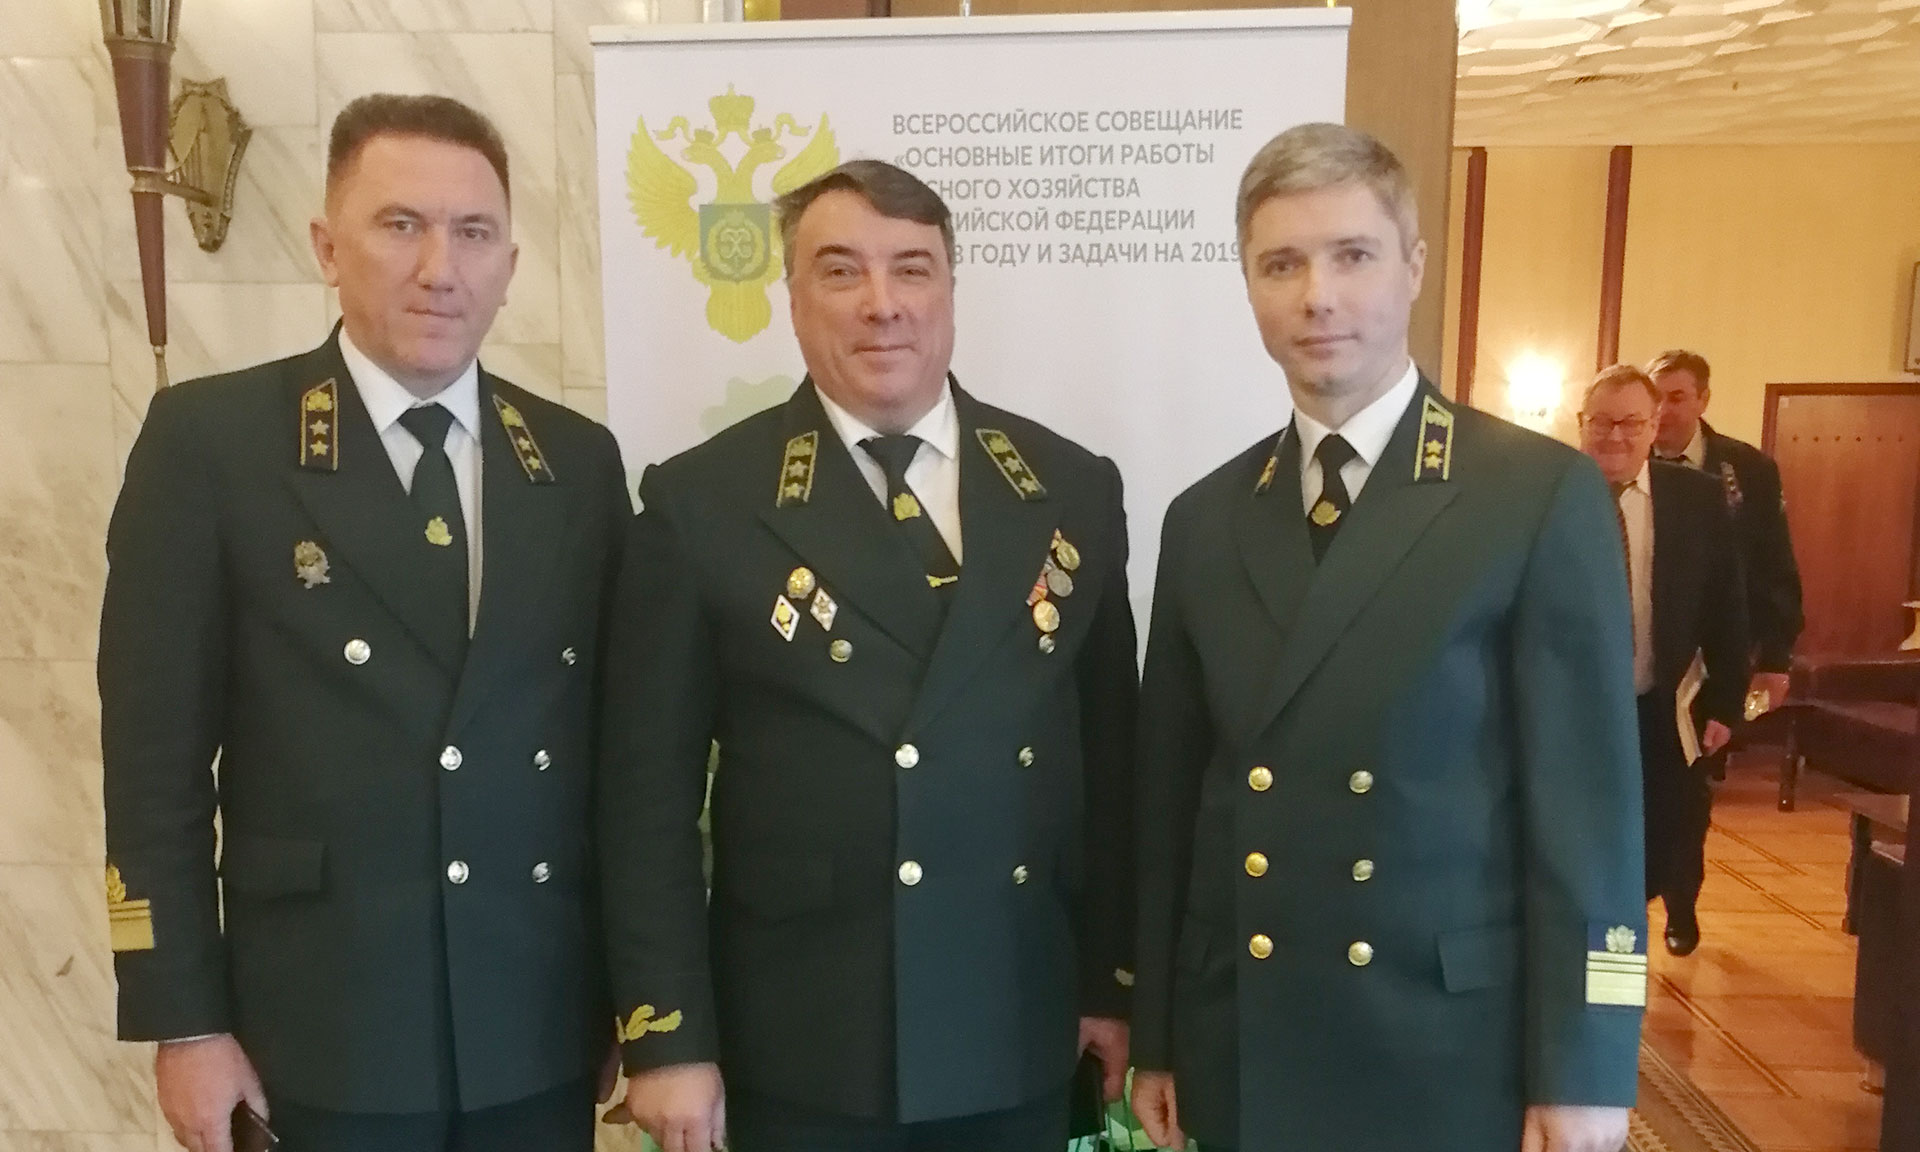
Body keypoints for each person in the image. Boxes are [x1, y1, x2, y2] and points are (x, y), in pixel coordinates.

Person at [100, 94, 630, 1152]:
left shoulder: (575, 461)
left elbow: (617, 763)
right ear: (327, 247)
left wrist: (634, 997)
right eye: (400, 225)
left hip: (533, 1026)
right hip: (320, 1026)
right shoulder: (213, 444)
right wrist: (184, 1020)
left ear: (510, 265)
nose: (441, 267)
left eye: (473, 232)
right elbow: (155, 767)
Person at [597, 159, 1137, 1152]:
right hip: (807, 1039)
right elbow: (645, 803)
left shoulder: (1071, 487)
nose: (882, 304)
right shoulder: (704, 503)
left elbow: (1112, 763)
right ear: (793, 298)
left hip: (1015, 1023)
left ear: (950, 291)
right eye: (841, 271)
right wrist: (667, 1038)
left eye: (912, 269)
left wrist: (1111, 982)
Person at [1128, 123, 1645, 1152]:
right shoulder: (1206, 517)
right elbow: (1172, 806)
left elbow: (1591, 818)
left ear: (1413, 267)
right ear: (1249, 287)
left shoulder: (1533, 495)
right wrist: (1159, 1034)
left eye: (1352, 255)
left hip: (1449, 1049)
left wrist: (1589, 1064)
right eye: (1281, 264)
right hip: (1248, 1039)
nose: (1317, 295)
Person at [1578, 365, 1750, 957]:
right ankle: (1597, 950)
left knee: (1668, 827)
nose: (1615, 436)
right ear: (1581, 424)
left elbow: (1728, 604)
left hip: (1662, 702)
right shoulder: (1550, 497)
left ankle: (1656, 919)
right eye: (1601, 422)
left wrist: (1726, 702)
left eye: (1631, 422)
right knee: (1584, 836)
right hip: (1574, 711)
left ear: (1655, 426)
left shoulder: (1696, 498)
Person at [1647, 349, 1803, 715]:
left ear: (1703, 400)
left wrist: (1775, 658)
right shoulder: (1629, 465)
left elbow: (1774, 564)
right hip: (1650, 648)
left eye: (1676, 398)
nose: (1662, 410)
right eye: (1656, 398)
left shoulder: (1750, 469)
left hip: (1725, 647)